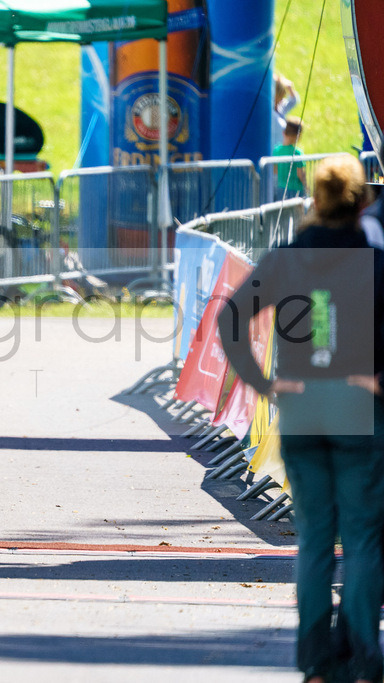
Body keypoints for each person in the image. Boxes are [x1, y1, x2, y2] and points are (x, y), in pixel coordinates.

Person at [217, 154, 384, 683]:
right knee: (360, 537)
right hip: (359, 403)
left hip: (302, 403)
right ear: (361, 201)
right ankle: (361, 654)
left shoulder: (288, 257)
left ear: (315, 198)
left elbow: (231, 317)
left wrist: (264, 383)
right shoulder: (373, 255)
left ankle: (315, 658)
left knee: (314, 537)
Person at [272, 116, 307, 201]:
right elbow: (300, 174)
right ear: (297, 136)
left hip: (280, 189)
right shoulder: (298, 153)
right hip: (296, 191)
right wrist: (306, 186)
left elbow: (275, 170)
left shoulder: (276, 151)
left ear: (284, 132)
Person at [272, 73, 300, 150]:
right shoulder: (268, 112)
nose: (282, 99)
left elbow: (293, 101)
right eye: (281, 96)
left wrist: (289, 88)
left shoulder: (280, 107)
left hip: (281, 150)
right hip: (272, 151)